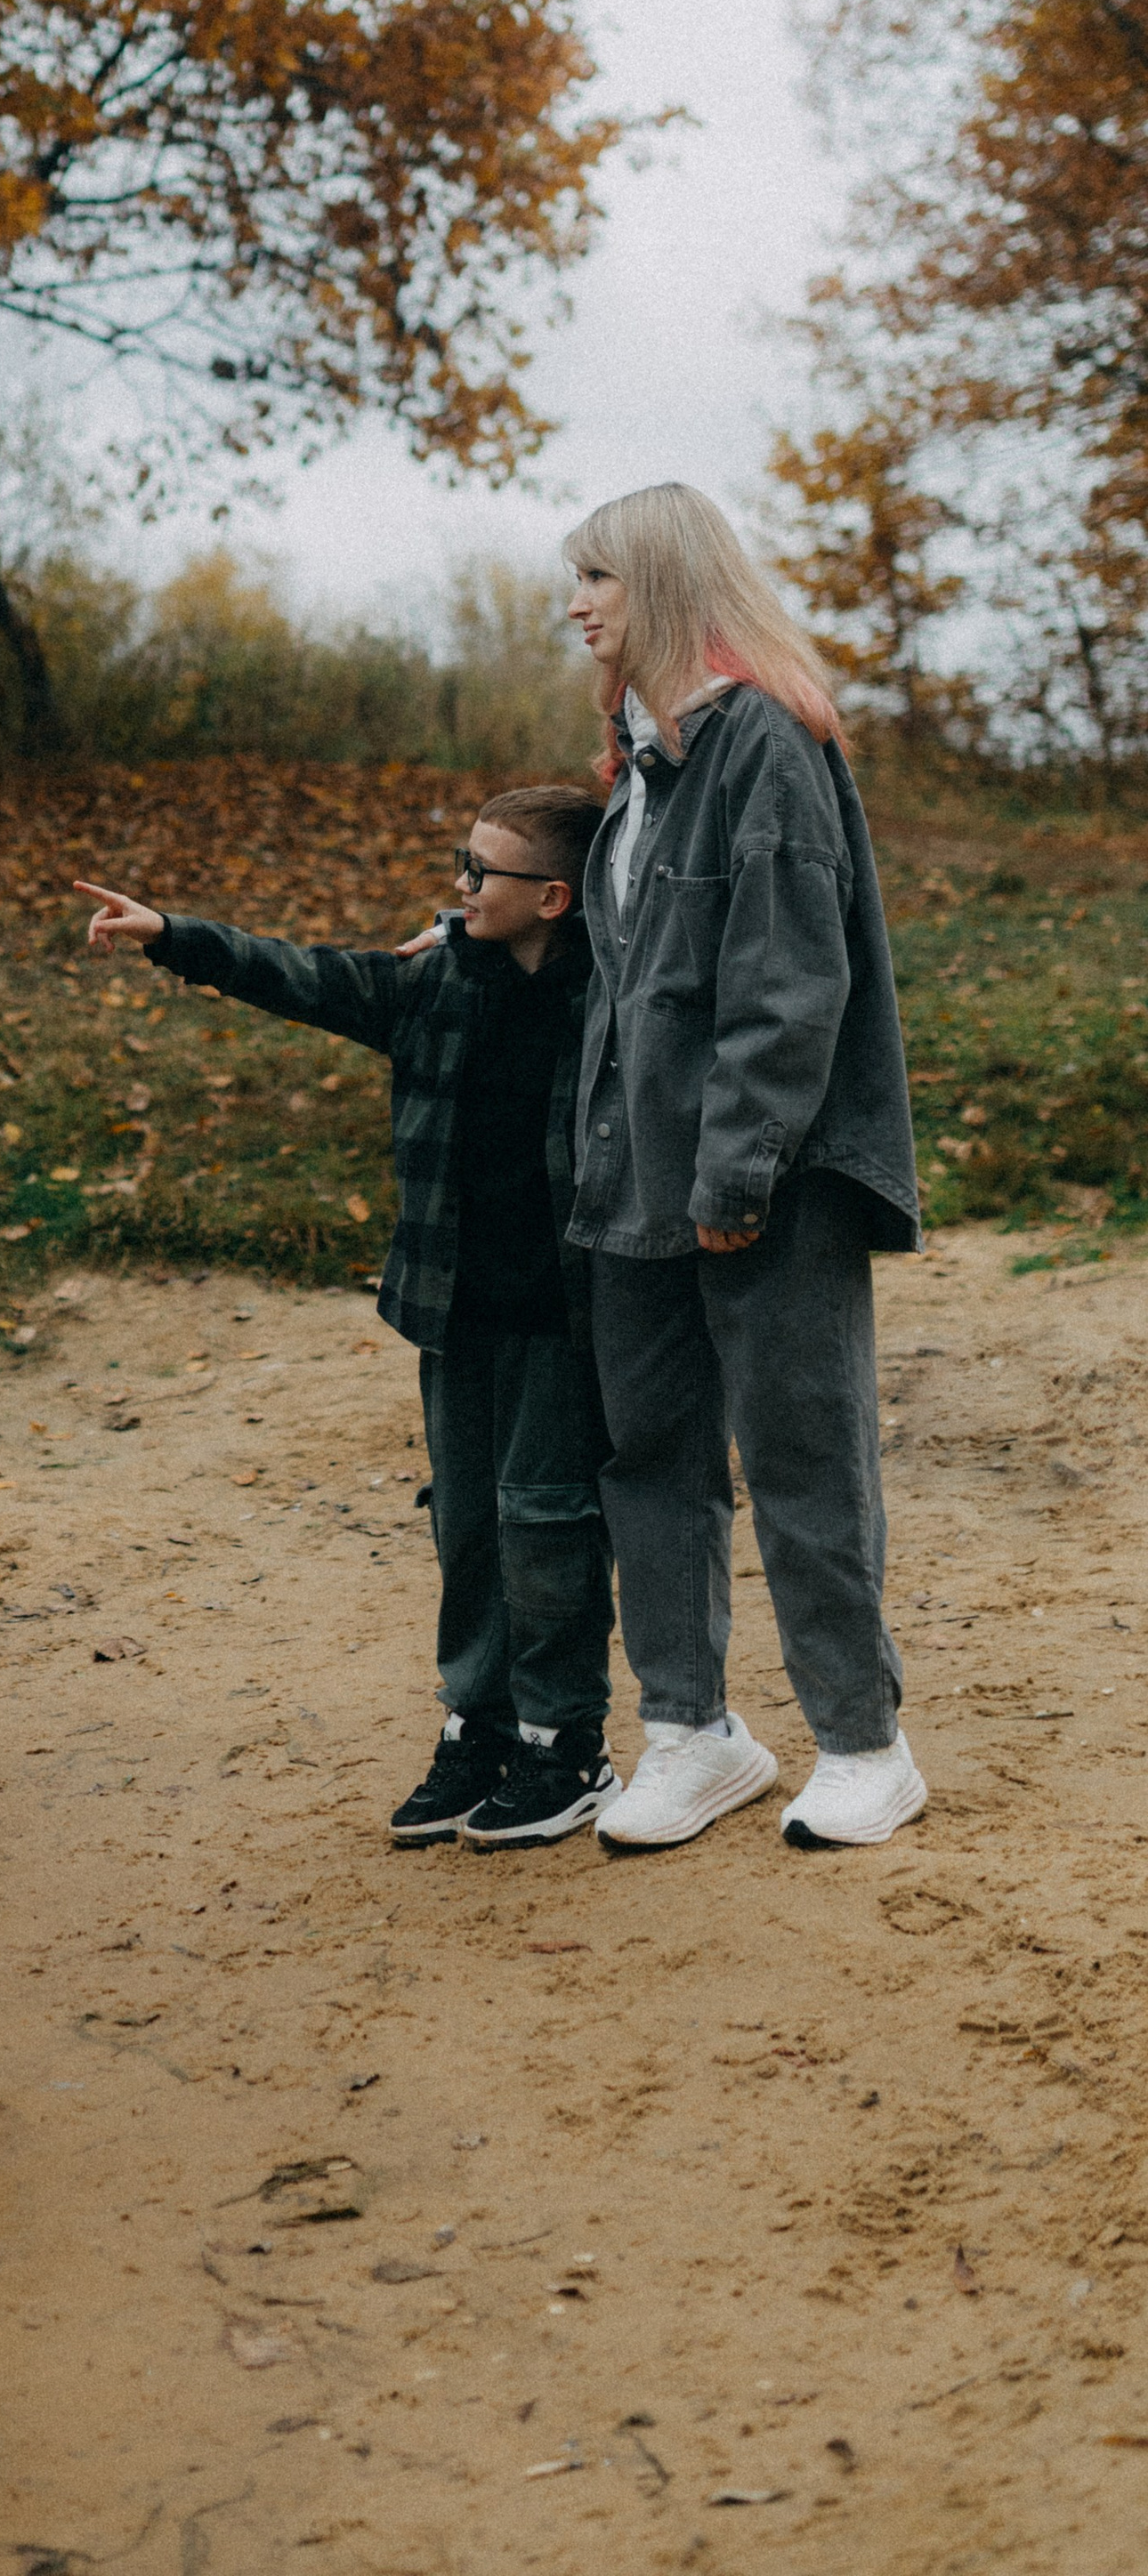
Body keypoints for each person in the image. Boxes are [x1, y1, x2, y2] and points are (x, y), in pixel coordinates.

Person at [75, 787, 620, 1852]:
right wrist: (170, 935)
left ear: (554, 898)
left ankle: (565, 1747)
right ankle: (478, 1727)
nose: (459, 885)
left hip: (565, 1321)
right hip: (452, 1314)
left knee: (547, 1525)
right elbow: (304, 975)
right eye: (461, 862)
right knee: (466, 1524)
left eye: (481, 873)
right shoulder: (432, 986)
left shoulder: (612, 1002)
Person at [562, 481, 925, 1853]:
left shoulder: (767, 746)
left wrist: (737, 1175)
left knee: (802, 1456)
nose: (577, 604)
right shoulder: (640, 769)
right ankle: (693, 1735)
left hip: (765, 1185)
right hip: (637, 1182)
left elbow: (789, 988)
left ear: (662, 581)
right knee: (651, 1456)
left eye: (597, 576)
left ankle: (865, 1747)